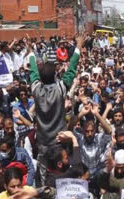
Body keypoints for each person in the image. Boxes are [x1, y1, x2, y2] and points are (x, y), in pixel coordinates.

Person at [29, 34, 85, 187]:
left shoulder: (36, 89)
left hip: (43, 144)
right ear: (55, 76)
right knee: (63, 176)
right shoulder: (60, 89)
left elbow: (33, 71)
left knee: (44, 177)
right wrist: (78, 47)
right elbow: (71, 69)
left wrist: (31, 54)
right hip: (60, 142)